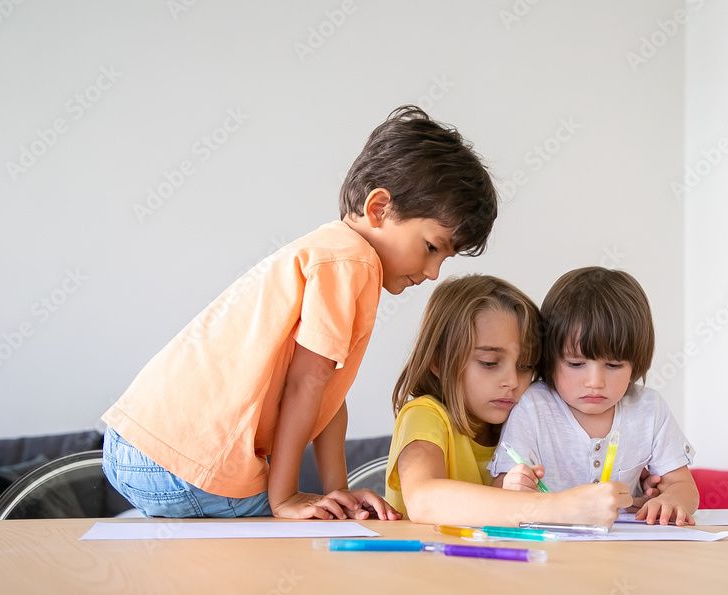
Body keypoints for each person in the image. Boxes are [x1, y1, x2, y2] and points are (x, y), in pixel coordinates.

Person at [100, 105, 498, 520]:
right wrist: (286, 497)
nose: (433, 273)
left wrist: (336, 491)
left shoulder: (333, 252)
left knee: (331, 512)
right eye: (432, 247)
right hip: (176, 461)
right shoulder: (352, 263)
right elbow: (308, 382)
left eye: (445, 259)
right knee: (311, 525)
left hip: (139, 444)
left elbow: (327, 398)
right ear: (379, 209)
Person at [385, 274, 633, 527]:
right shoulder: (425, 415)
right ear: (438, 361)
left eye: (525, 365)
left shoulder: (523, 421)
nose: (513, 381)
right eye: (489, 363)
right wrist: (560, 507)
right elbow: (424, 500)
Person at [488, 266, 699, 526]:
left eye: (613, 365)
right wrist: (512, 488)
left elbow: (683, 485)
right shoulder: (533, 407)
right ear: (550, 358)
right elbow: (501, 490)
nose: (595, 382)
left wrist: (671, 501)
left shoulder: (649, 409)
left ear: (636, 362)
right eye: (576, 364)